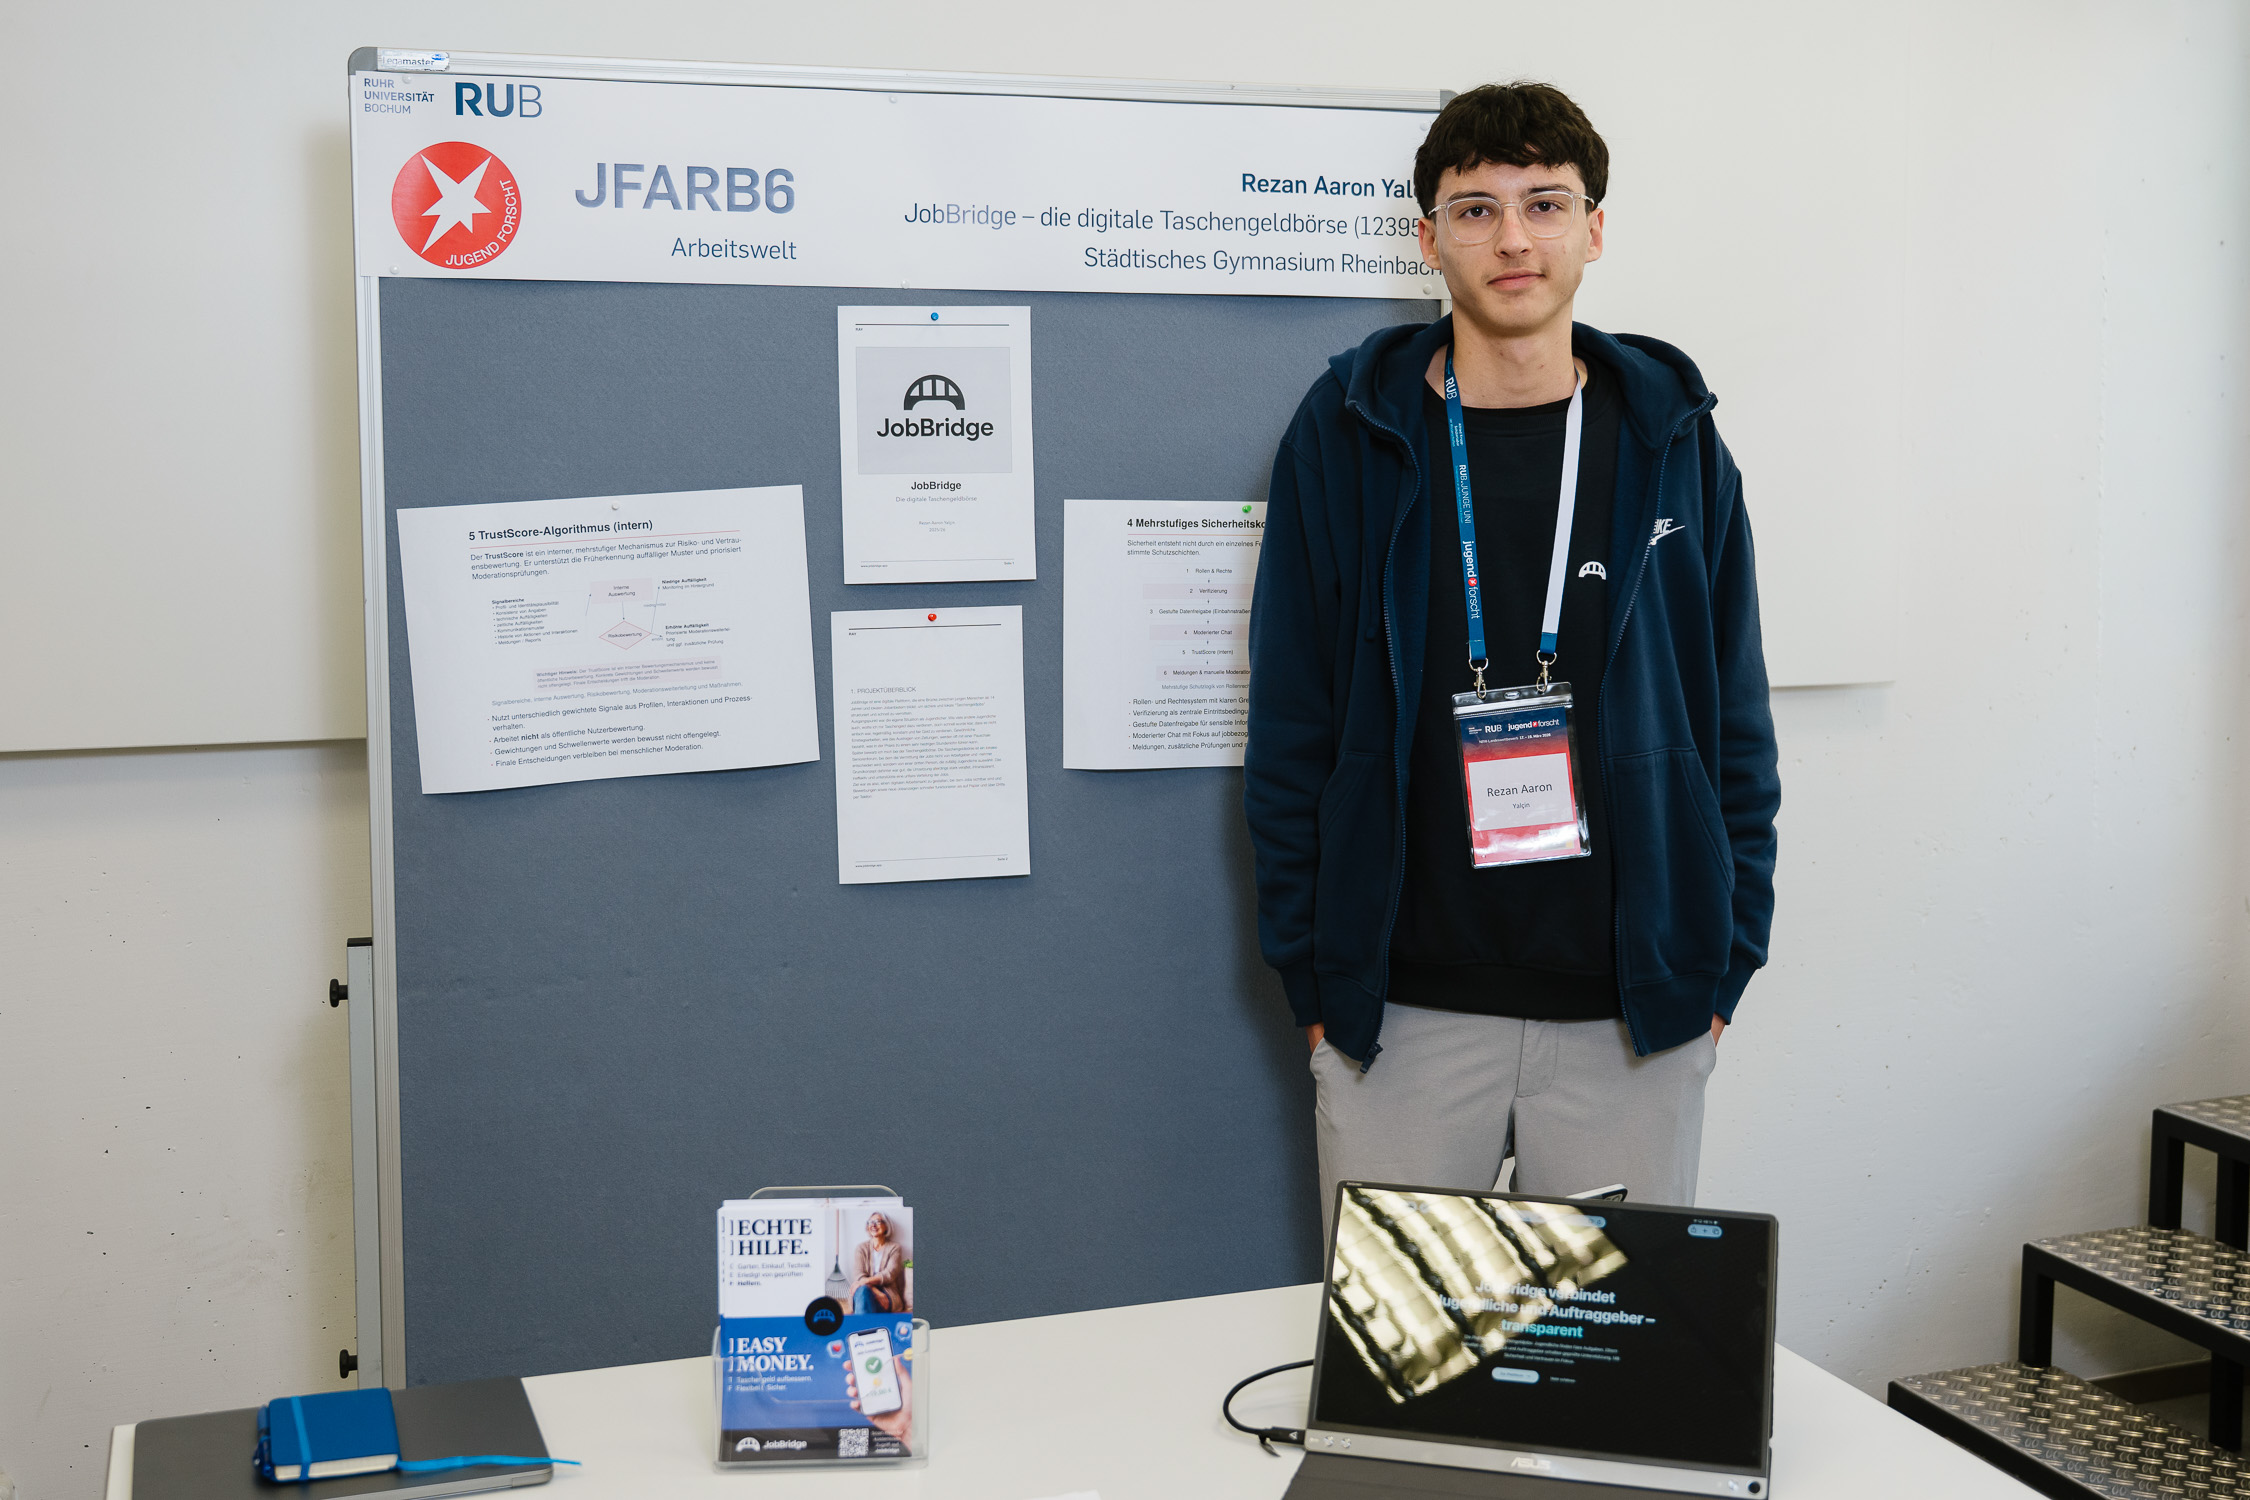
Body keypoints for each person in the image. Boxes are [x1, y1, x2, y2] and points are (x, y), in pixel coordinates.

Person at [1242, 82, 1780, 1226]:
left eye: (1544, 203)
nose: (1513, 237)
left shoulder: (1671, 439)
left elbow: (1733, 715)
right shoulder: (1347, 434)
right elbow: (1292, 721)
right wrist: (1316, 977)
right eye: (1475, 209)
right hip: (1404, 1015)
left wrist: (1725, 960)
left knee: (1610, 1373)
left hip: (1630, 1018)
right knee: (1405, 1376)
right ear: (1429, 238)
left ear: (1594, 229)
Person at [848, 1211, 908, 1315]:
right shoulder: (861, 1248)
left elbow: (889, 1274)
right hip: (864, 1290)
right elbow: (859, 1274)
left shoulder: (895, 1248)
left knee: (864, 1298)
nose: (873, 1225)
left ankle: (862, 1327)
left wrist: (864, 1282)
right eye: (870, 1222)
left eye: (878, 1222)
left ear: (886, 1225)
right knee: (863, 1292)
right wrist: (876, 1292)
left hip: (887, 1293)